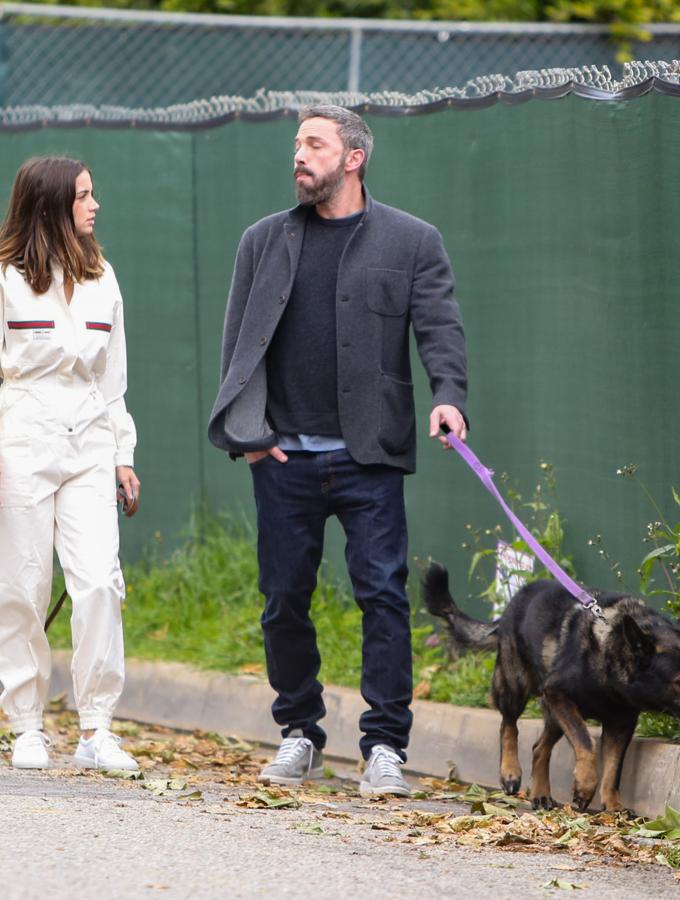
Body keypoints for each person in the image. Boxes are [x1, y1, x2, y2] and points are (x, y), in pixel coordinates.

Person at [207, 106, 469, 795]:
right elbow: (238, 348)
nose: (299, 155)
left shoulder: (411, 241)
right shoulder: (261, 242)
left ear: (352, 158)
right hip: (284, 458)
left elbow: (440, 329)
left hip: (369, 455)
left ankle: (384, 746)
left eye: (314, 144)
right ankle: (299, 732)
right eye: (297, 144)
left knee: (382, 596)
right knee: (281, 601)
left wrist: (448, 396)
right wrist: (252, 439)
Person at [0, 156, 141, 771]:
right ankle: (27, 723)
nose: (95, 205)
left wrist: (123, 454)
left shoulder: (103, 277)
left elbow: (112, 382)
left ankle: (96, 730)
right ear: (52, 206)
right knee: (19, 585)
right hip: (20, 442)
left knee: (100, 582)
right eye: (85, 196)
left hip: (89, 442)